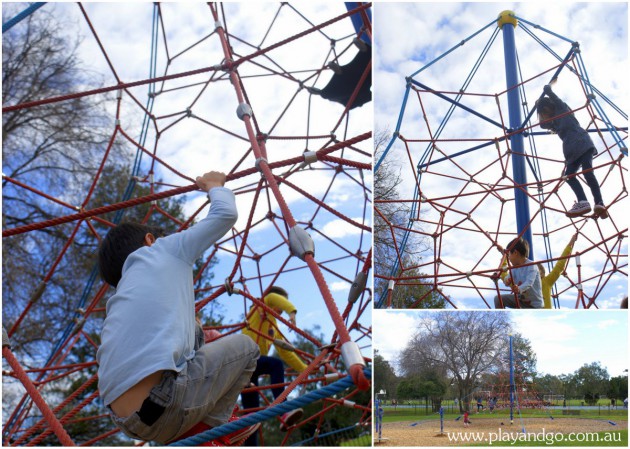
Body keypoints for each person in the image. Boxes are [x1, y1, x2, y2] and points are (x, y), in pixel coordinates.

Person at [96, 171, 260, 446]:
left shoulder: (119, 298)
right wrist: (215, 186)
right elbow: (224, 215)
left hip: (128, 423)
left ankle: (193, 431)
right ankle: (216, 431)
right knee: (247, 348)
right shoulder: (161, 250)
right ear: (150, 240)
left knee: (196, 332)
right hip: (165, 403)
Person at [240, 287, 307, 444]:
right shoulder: (259, 307)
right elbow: (272, 298)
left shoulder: (273, 325)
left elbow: (285, 352)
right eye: (282, 302)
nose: (282, 308)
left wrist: (305, 369)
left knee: (252, 416)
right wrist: (292, 312)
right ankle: (282, 409)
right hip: (245, 359)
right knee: (275, 365)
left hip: (252, 368)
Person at [536, 84, 607, 219]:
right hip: (570, 151)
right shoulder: (554, 122)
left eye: (544, 112)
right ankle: (583, 202)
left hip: (582, 143)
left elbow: (557, 101)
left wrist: (549, 92)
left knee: (588, 172)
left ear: (549, 108)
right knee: (569, 176)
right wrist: (538, 107)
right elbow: (542, 125)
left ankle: (599, 203)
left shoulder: (562, 110)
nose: (544, 116)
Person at [494, 237, 543, 309]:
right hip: (520, 301)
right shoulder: (514, 268)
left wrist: (519, 289)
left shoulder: (531, 265)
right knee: (498, 299)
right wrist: (507, 281)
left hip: (535, 306)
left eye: (509, 255)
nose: (508, 258)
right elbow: (508, 277)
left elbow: (529, 283)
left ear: (515, 253)